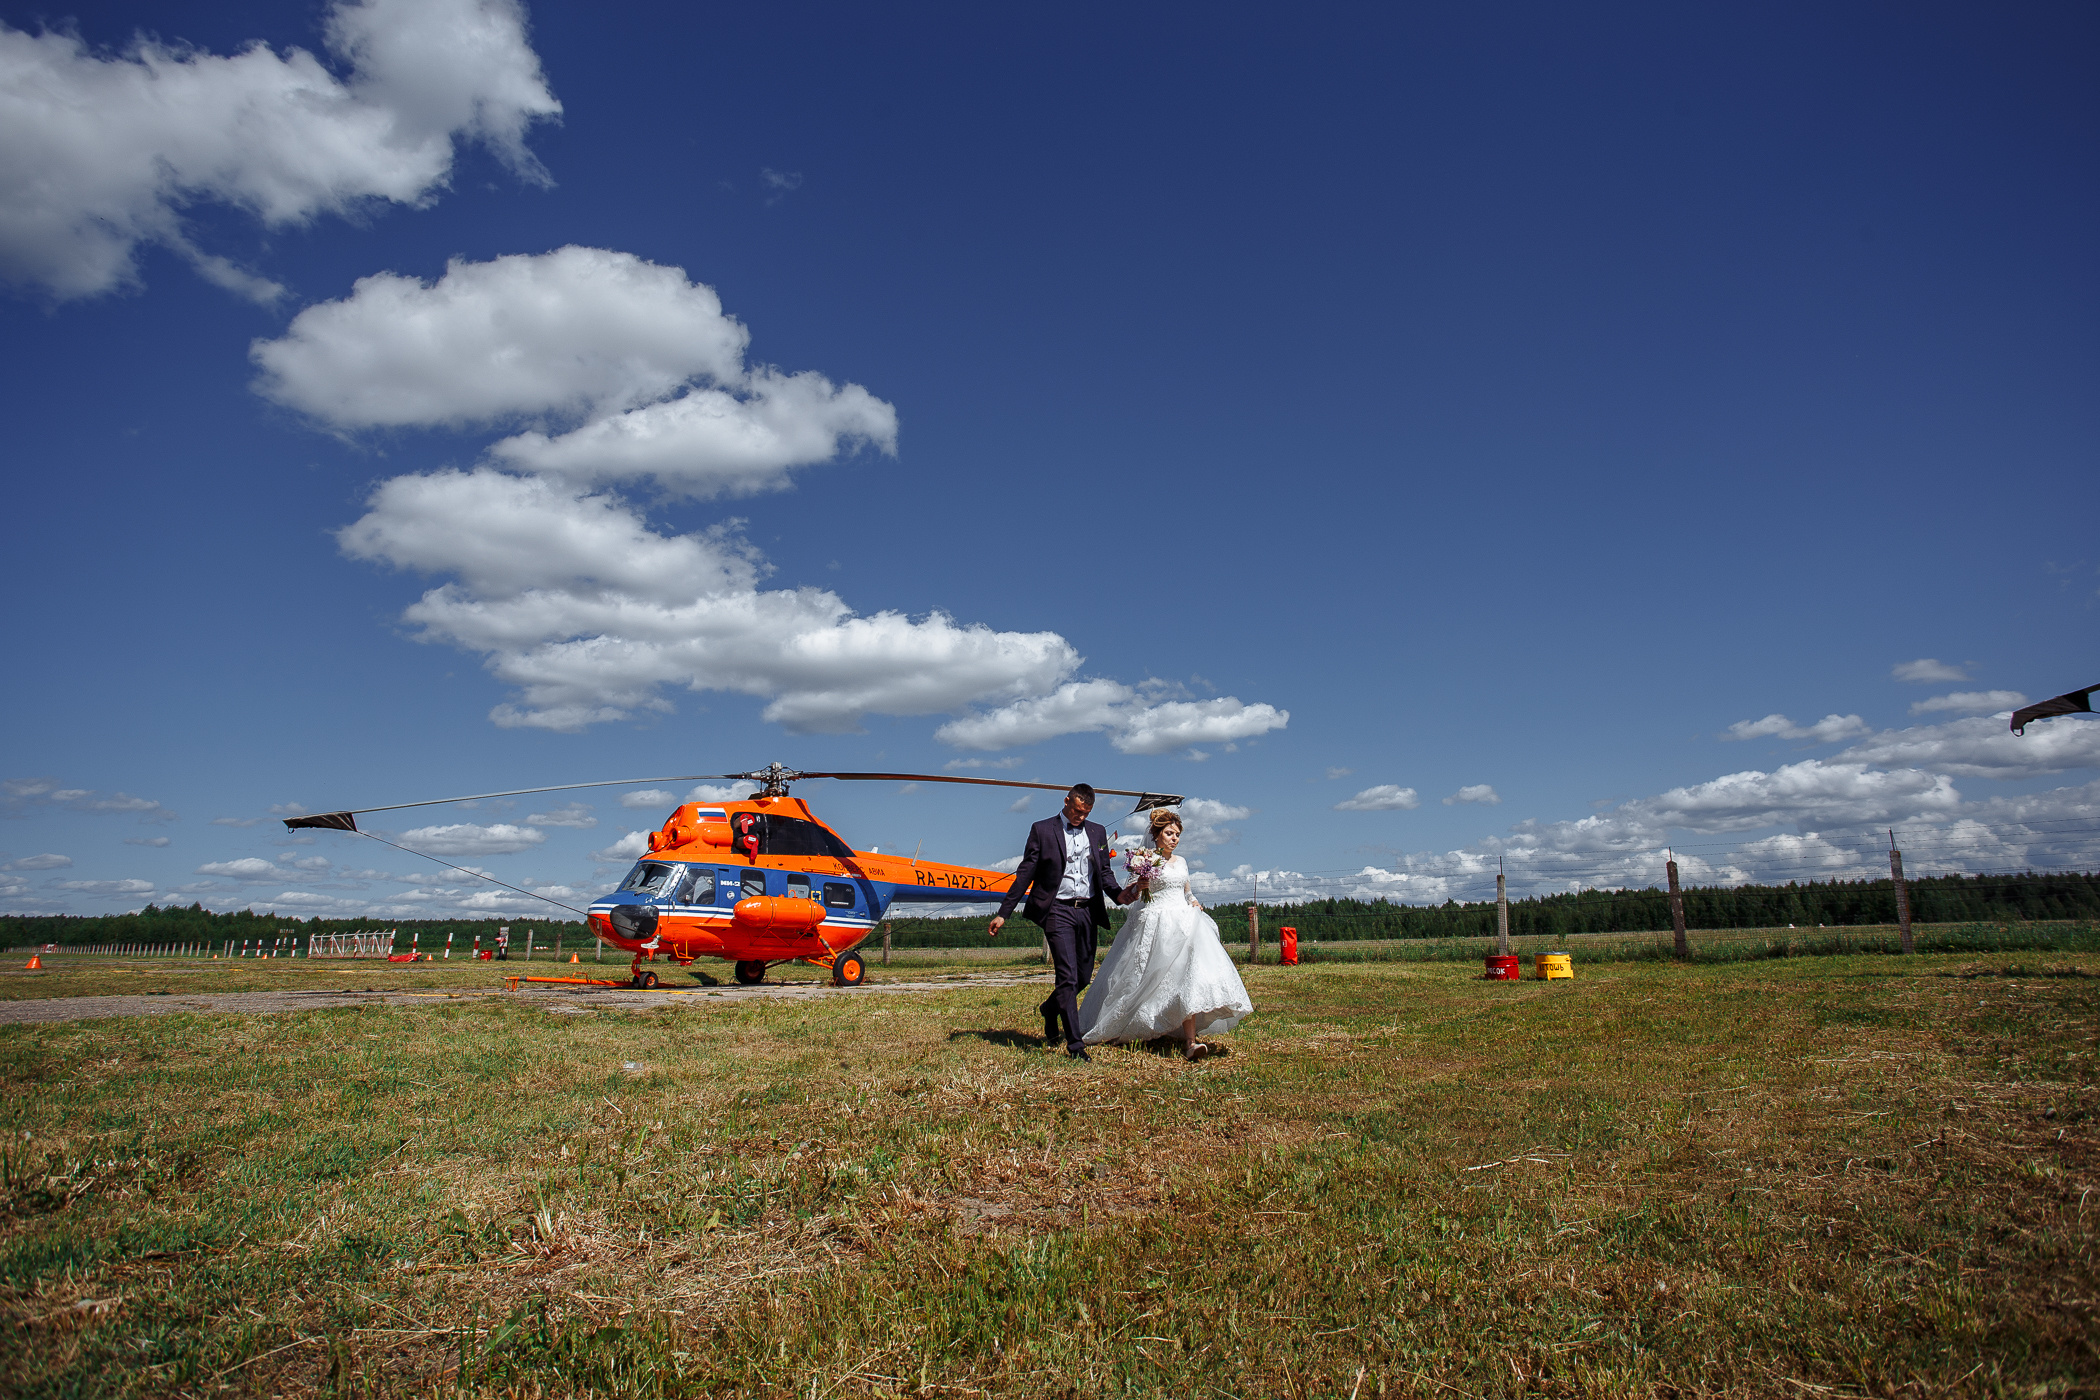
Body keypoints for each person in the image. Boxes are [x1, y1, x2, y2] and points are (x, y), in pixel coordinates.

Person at [1077, 808, 1253, 1061]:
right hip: (1154, 922)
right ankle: (1136, 1021)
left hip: (1184, 923)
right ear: (1156, 834)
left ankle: (1191, 1042)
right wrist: (1140, 886)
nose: (1174, 838)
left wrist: (1194, 901)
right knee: (1143, 979)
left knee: (1188, 976)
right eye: (1169, 833)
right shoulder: (1145, 859)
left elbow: (1186, 890)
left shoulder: (1181, 862)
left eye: (1177, 834)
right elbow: (1131, 894)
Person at [989, 783, 1124, 1061]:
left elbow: (1104, 872)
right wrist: (1004, 912)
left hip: (1087, 910)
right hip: (1057, 910)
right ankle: (1075, 1045)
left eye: (1086, 813)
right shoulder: (1042, 830)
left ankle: (1050, 1009)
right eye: (1077, 811)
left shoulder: (1097, 832)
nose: (1080, 817)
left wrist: (1121, 895)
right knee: (1067, 976)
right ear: (1066, 801)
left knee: (1083, 976)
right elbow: (1025, 873)